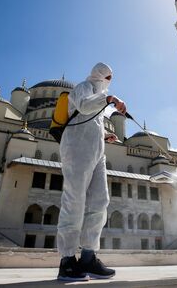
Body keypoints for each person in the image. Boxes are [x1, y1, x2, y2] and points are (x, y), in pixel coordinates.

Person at [56, 62, 127, 281]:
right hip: (76, 150)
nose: (110, 80)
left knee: (99, 202)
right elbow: (85, 106)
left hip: (97, 152)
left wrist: (104, 136)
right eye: (108, 76)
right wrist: (109, 99)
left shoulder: (99, 97)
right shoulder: (84, 87)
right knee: (74, 201)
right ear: (99, 74)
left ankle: (88, 257)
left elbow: (89, 122)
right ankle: (67, 261)